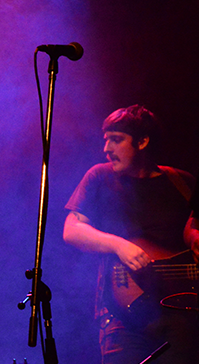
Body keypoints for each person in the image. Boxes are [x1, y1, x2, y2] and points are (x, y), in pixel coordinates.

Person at [63, 104, 199, 364]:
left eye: (116, 140)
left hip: (181, 316)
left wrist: (193, 237)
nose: (106, 148)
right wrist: (118, 245)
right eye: (106, 140)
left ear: (142, 141)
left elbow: (193, 226)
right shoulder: (99, 176)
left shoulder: (182, 181)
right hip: (122, 317)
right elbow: (71, 230)